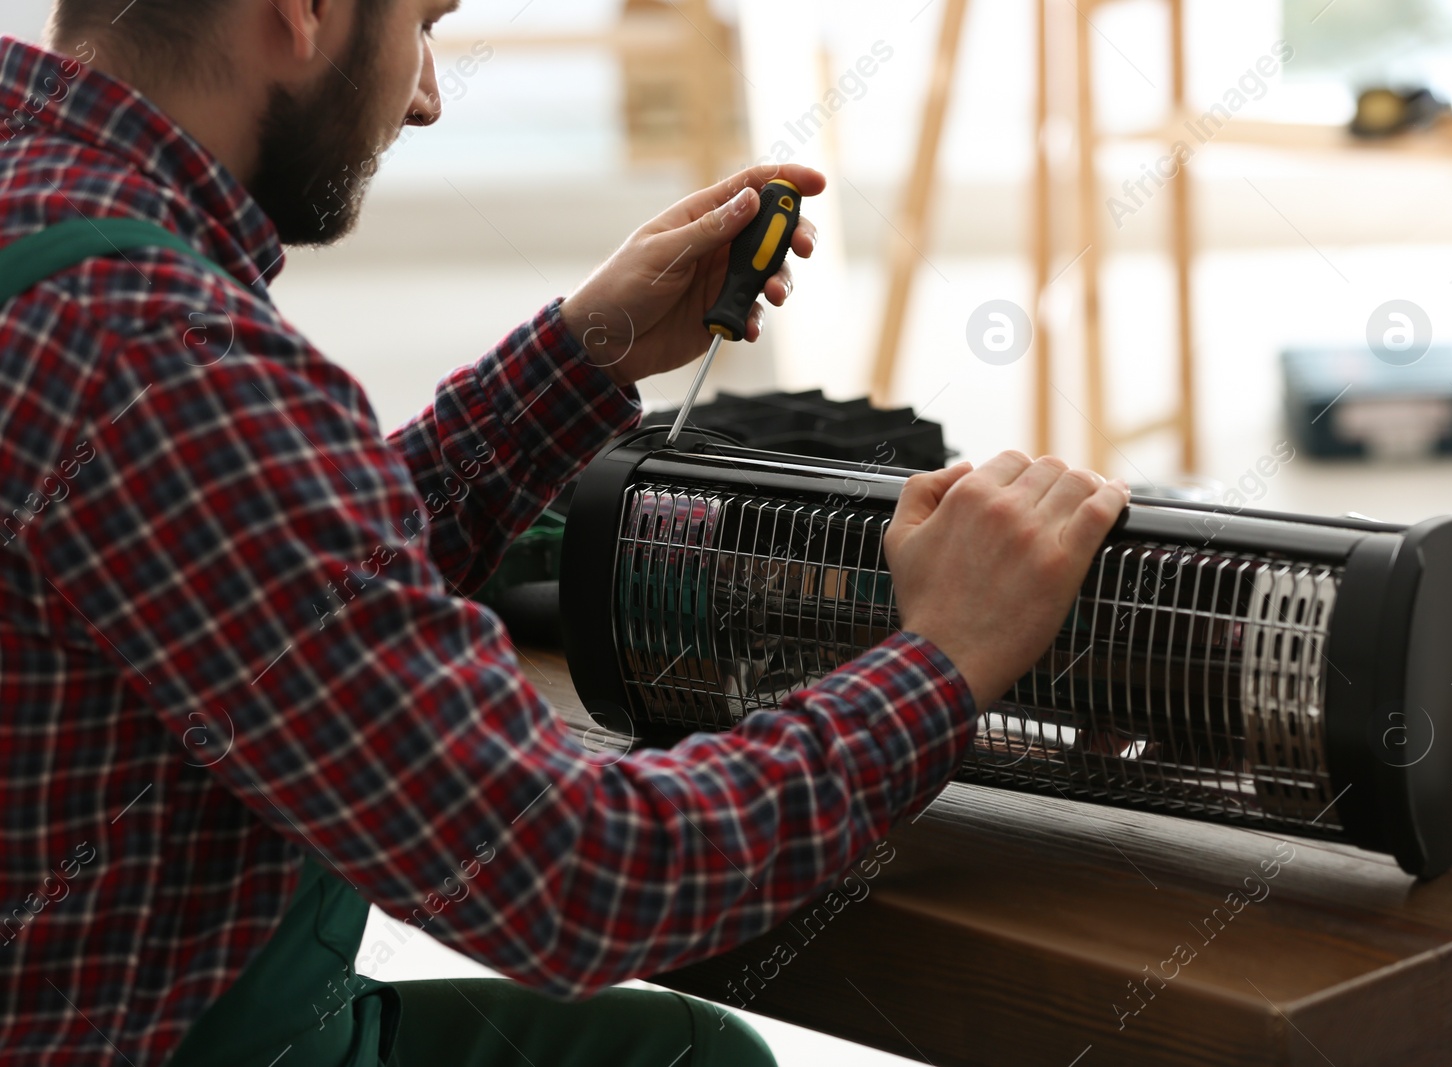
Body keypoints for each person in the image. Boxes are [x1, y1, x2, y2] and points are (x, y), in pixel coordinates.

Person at [0, 0, 1130, 1064]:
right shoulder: (159, 351)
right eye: (423, 22)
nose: (426, 97)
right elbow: (573, 876)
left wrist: (576, 353)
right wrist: (943, 658)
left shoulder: (42, 218)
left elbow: (261, 589)